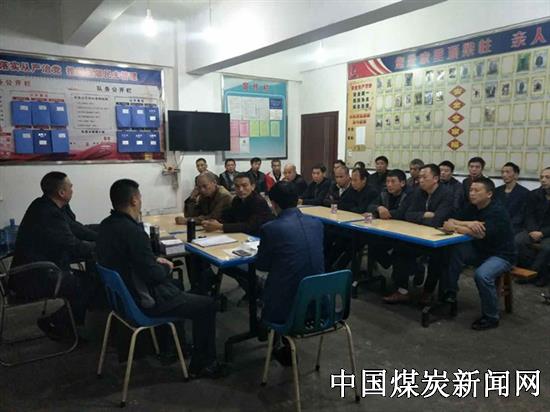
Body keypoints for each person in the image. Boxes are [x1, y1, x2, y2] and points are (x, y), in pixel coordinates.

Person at [96, 179, 226, 378]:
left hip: (122, 298)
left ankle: (173, 346)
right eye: (140, 197)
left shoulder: (106, 225)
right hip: (143, 301)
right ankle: (204, 364)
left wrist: (152, 260)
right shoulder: (134, 232)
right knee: (207, 305)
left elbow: (131, 259)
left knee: (177, 284)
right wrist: (165, 266)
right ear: (134, 200)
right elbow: (153, 276)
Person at [10, 172, 97, 340]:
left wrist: (104, 235)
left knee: (90, 278)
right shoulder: (47, 213)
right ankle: (57, 324)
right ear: (61, 193)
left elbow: (77, 229)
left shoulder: (49, 206)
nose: (72, 189)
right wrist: (104, 246)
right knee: (88, 283)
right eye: (70, 186)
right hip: (32, 277)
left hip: (43, 269)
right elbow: (73, 245)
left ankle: (68, 323)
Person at [257, 181, 325, 365]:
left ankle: (268, 333)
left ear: (273, 204)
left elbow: (262, 265)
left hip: (288, 309)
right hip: (322, 306)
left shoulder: (271, 228)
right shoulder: (317, 224)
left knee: (261, 282)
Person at [443, 177, 516, 330]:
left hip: (502, 254)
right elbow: (450, 220)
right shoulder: (472, 207)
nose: (472, 193)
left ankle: (491, 317)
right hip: (480, 250)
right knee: (453, 251)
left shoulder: (497, 211)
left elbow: (480, 234)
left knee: (482, 275)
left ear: (489, 194)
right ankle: (450, 293)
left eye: (477, 190)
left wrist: (456, 227)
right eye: (471, 190)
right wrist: (469, 223)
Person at [384, 164, 453, 304]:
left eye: (424, 177)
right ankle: (402, 290)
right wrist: (425, 215)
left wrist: (421, 218)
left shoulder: (447, 194)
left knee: (438, 257)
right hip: (418, 235)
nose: (420, 180)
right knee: (400, 248)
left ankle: (428, 292)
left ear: (435, 179)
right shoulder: (418, 192)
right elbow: (408, 215)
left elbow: (438, 221)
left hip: (439, 239)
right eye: (420, 177)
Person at [202, 173, 274, 236]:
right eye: (237, 186)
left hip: (259, 237)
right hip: (242, 235)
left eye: (244, 185)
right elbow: (230, 218)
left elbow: (250, 226)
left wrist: (220, 226)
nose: (240, 189)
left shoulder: (259, 202)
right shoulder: (236, 200)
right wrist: (212, 223)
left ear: (252, 186)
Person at [366, 169, 410, 269]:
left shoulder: (409, 194)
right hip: (387, 230)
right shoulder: (384, 192)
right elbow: (370, 206)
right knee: (371, 242)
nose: (389, 185)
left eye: (393, 181)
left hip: (404, 233)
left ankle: (411, 268)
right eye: (387, 181)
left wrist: (386, 213)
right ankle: (388, 265)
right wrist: (379, 208)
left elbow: (401, 213)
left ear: (402, 183)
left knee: (401, 252)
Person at [514, 167, 550, 287]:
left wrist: (543, 233)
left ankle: (535, 274)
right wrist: (532, 230)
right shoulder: (534, 194)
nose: (543, 180)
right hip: (533, 229)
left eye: (547, 177)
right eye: (541, 177)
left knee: (547, 248)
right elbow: (528, 215)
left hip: (548, 233)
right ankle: (530, 272)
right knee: (518, 240)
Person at [495, 162, 529, 235]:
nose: (504, 175)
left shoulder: (525, 193)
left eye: (507, 172)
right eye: (502, 172)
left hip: (515, 227)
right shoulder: (497, 191)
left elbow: (522, 214)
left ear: (516, 175)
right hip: (497, 224)